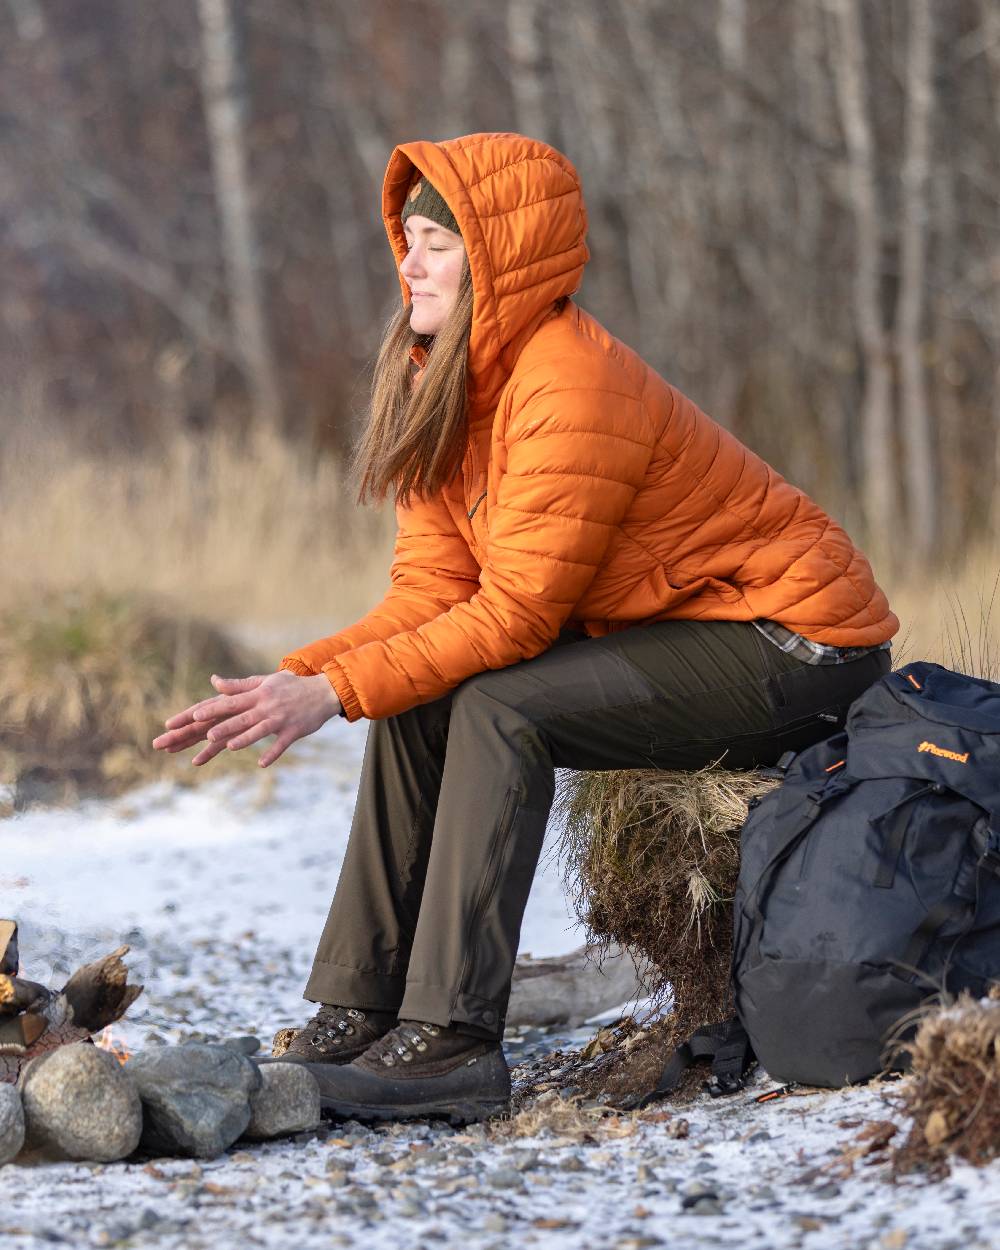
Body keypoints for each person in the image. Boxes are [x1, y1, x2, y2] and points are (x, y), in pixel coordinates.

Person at [153, 131, 897, 1123]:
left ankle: (452, 1043)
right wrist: (305, 678)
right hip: (684, 625)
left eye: (438, 245)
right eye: (407, 240)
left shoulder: (568, 382)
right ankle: (363, 1004)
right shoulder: (443, 380)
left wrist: (331, 692)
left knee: (500, 707)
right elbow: (432, 593)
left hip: (794, 639)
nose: (409, 264)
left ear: (500, 258)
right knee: (419, 693)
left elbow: (514, 618)